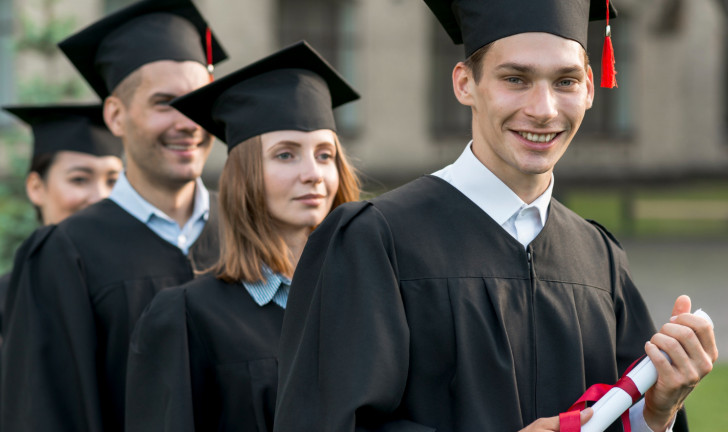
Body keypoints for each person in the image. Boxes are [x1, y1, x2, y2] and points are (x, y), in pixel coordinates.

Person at [274, 1, 718, 432]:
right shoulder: (376, 240)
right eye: (516, 79)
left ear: (588, 87)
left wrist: (654, 413)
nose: (544, 109)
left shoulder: (599, 259)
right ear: (465, 83)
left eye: (564, 81)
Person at [0, 0, 228, 431]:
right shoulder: (66, 255)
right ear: (116, 116)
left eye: (198, 101)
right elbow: (47, 414)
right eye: (165, 103)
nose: (188, 122)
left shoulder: (249, 233)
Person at [123, 40, 361, 432]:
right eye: (286, 154)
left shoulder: (371, 297)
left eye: (324, 154)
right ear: (245, 176)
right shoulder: (188, 317)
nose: (313, 174)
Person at [0, 104, 123, 432]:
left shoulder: (140, 291)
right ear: (36, 187)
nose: (100, 196)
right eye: (79, 179)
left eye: (113, 180)